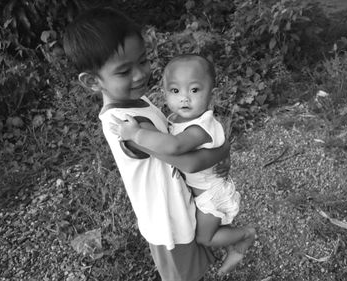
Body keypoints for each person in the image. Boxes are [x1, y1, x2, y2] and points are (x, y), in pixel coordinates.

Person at [63, 8, 231, 281]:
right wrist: (223, 150)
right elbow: (184, 157)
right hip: (166, 220)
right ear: (92, 82)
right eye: (124, 71)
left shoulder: (137, 102)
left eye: (142, 61)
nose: (140, 74)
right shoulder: (125, 125)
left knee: (193, 264)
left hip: (177, 205)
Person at [109, 54, 256, 275]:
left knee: (204, 238)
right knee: (209, 230)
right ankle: (231, 243)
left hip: (210, 195)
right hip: (200, 192)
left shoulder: (201, 126)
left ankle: (245, 236)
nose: (184, 98)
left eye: (194, 90)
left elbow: (175, 146)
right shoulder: (176, 119)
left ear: (211, 95)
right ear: (165, 93)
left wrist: (137, 134)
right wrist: (226, 156)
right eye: (175, 91)